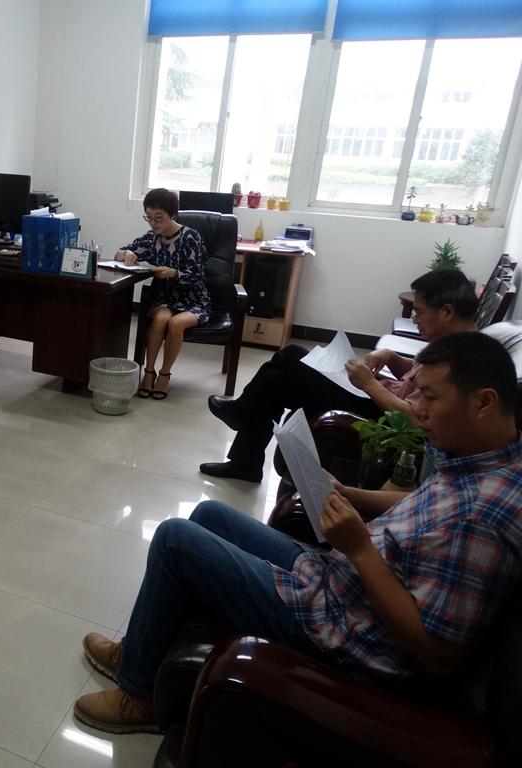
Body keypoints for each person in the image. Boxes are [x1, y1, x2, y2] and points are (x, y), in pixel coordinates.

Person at [74, 331, 522, 734]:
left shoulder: (483, 519)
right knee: (211, 514)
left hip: (345, 631)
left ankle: (140, 695)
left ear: (483, 402)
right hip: (340, 583)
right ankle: (140, 649)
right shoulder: (476, 457)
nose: (416, 409)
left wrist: (359, 548)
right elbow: (420, 506)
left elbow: (437, 653)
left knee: (174, 539)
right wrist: (349, 494)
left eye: (430, 397)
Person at [200, 268, 478, 482]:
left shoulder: (461, 362)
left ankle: (241, 415)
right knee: (275, 381)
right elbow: (415, 375)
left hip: (379, 416)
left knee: (292, 354)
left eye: (419, 313)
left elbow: (417, 422)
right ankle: (245, 463)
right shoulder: (452, 342)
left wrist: (369, 385)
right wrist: (390, 356)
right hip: (378, 397)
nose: (414, 320)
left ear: (447, 312)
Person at [113, 188, 210, 400]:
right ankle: (149, 371)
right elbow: (119, 252)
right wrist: (128, 253)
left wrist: (173, 273)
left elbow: (197, 276)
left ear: (172, 215)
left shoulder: (191, 237)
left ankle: (164, 374)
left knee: (176, 323)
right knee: (161, 319)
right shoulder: (151, 238)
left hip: (194, 299)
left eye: (158, 218)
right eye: (148, 217)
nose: (153, 223)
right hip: (165, 298)